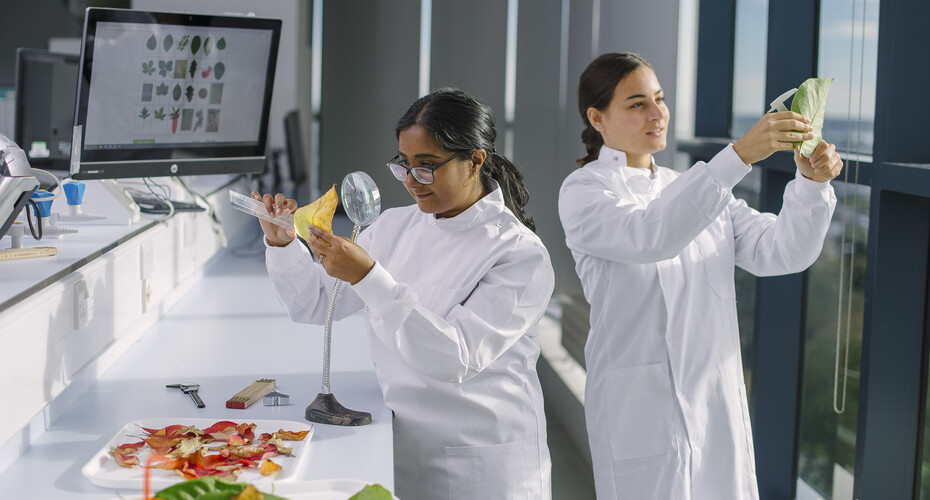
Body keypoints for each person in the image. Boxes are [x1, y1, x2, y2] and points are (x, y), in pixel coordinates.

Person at [558, 52, 842, 499]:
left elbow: (782, 252)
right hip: (640, 409)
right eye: (637, 104)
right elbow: (651, 235)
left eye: (660, 99)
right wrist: (740, 154)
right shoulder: (584, 191)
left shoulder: (695, 186)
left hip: (713, 399)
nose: (657, 114)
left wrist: (811, 184)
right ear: (597, 117)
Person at [254, 88, 554, 500]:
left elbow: (453, 358)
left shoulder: (518, 254)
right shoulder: (394, 227)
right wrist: (283, 244)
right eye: (404, 164)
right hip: (403, 447)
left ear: (475, 160)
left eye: (427, 166)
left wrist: (369, 278)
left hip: (482, 461)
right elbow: (315, 304)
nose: (412, 180)